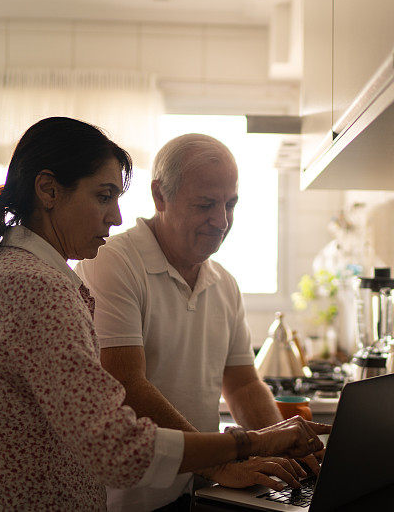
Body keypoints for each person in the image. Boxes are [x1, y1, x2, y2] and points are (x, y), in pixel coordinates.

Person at [0, 118, 329, 511]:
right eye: (103, 196)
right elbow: (116, 445)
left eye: (229, 204)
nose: (116, 216)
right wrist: (250, 445)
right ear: (48, 190)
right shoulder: (36, 286)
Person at [75, 134, 319, 511]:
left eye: (230, 204)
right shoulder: (112, 262)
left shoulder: (223, 283)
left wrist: (283, 444)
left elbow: (243, 385)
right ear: (160, 197)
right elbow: (125, 385)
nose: (221, 221)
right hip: (127, 499)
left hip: (197, 493)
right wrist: (220, 460)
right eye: (206, 204)